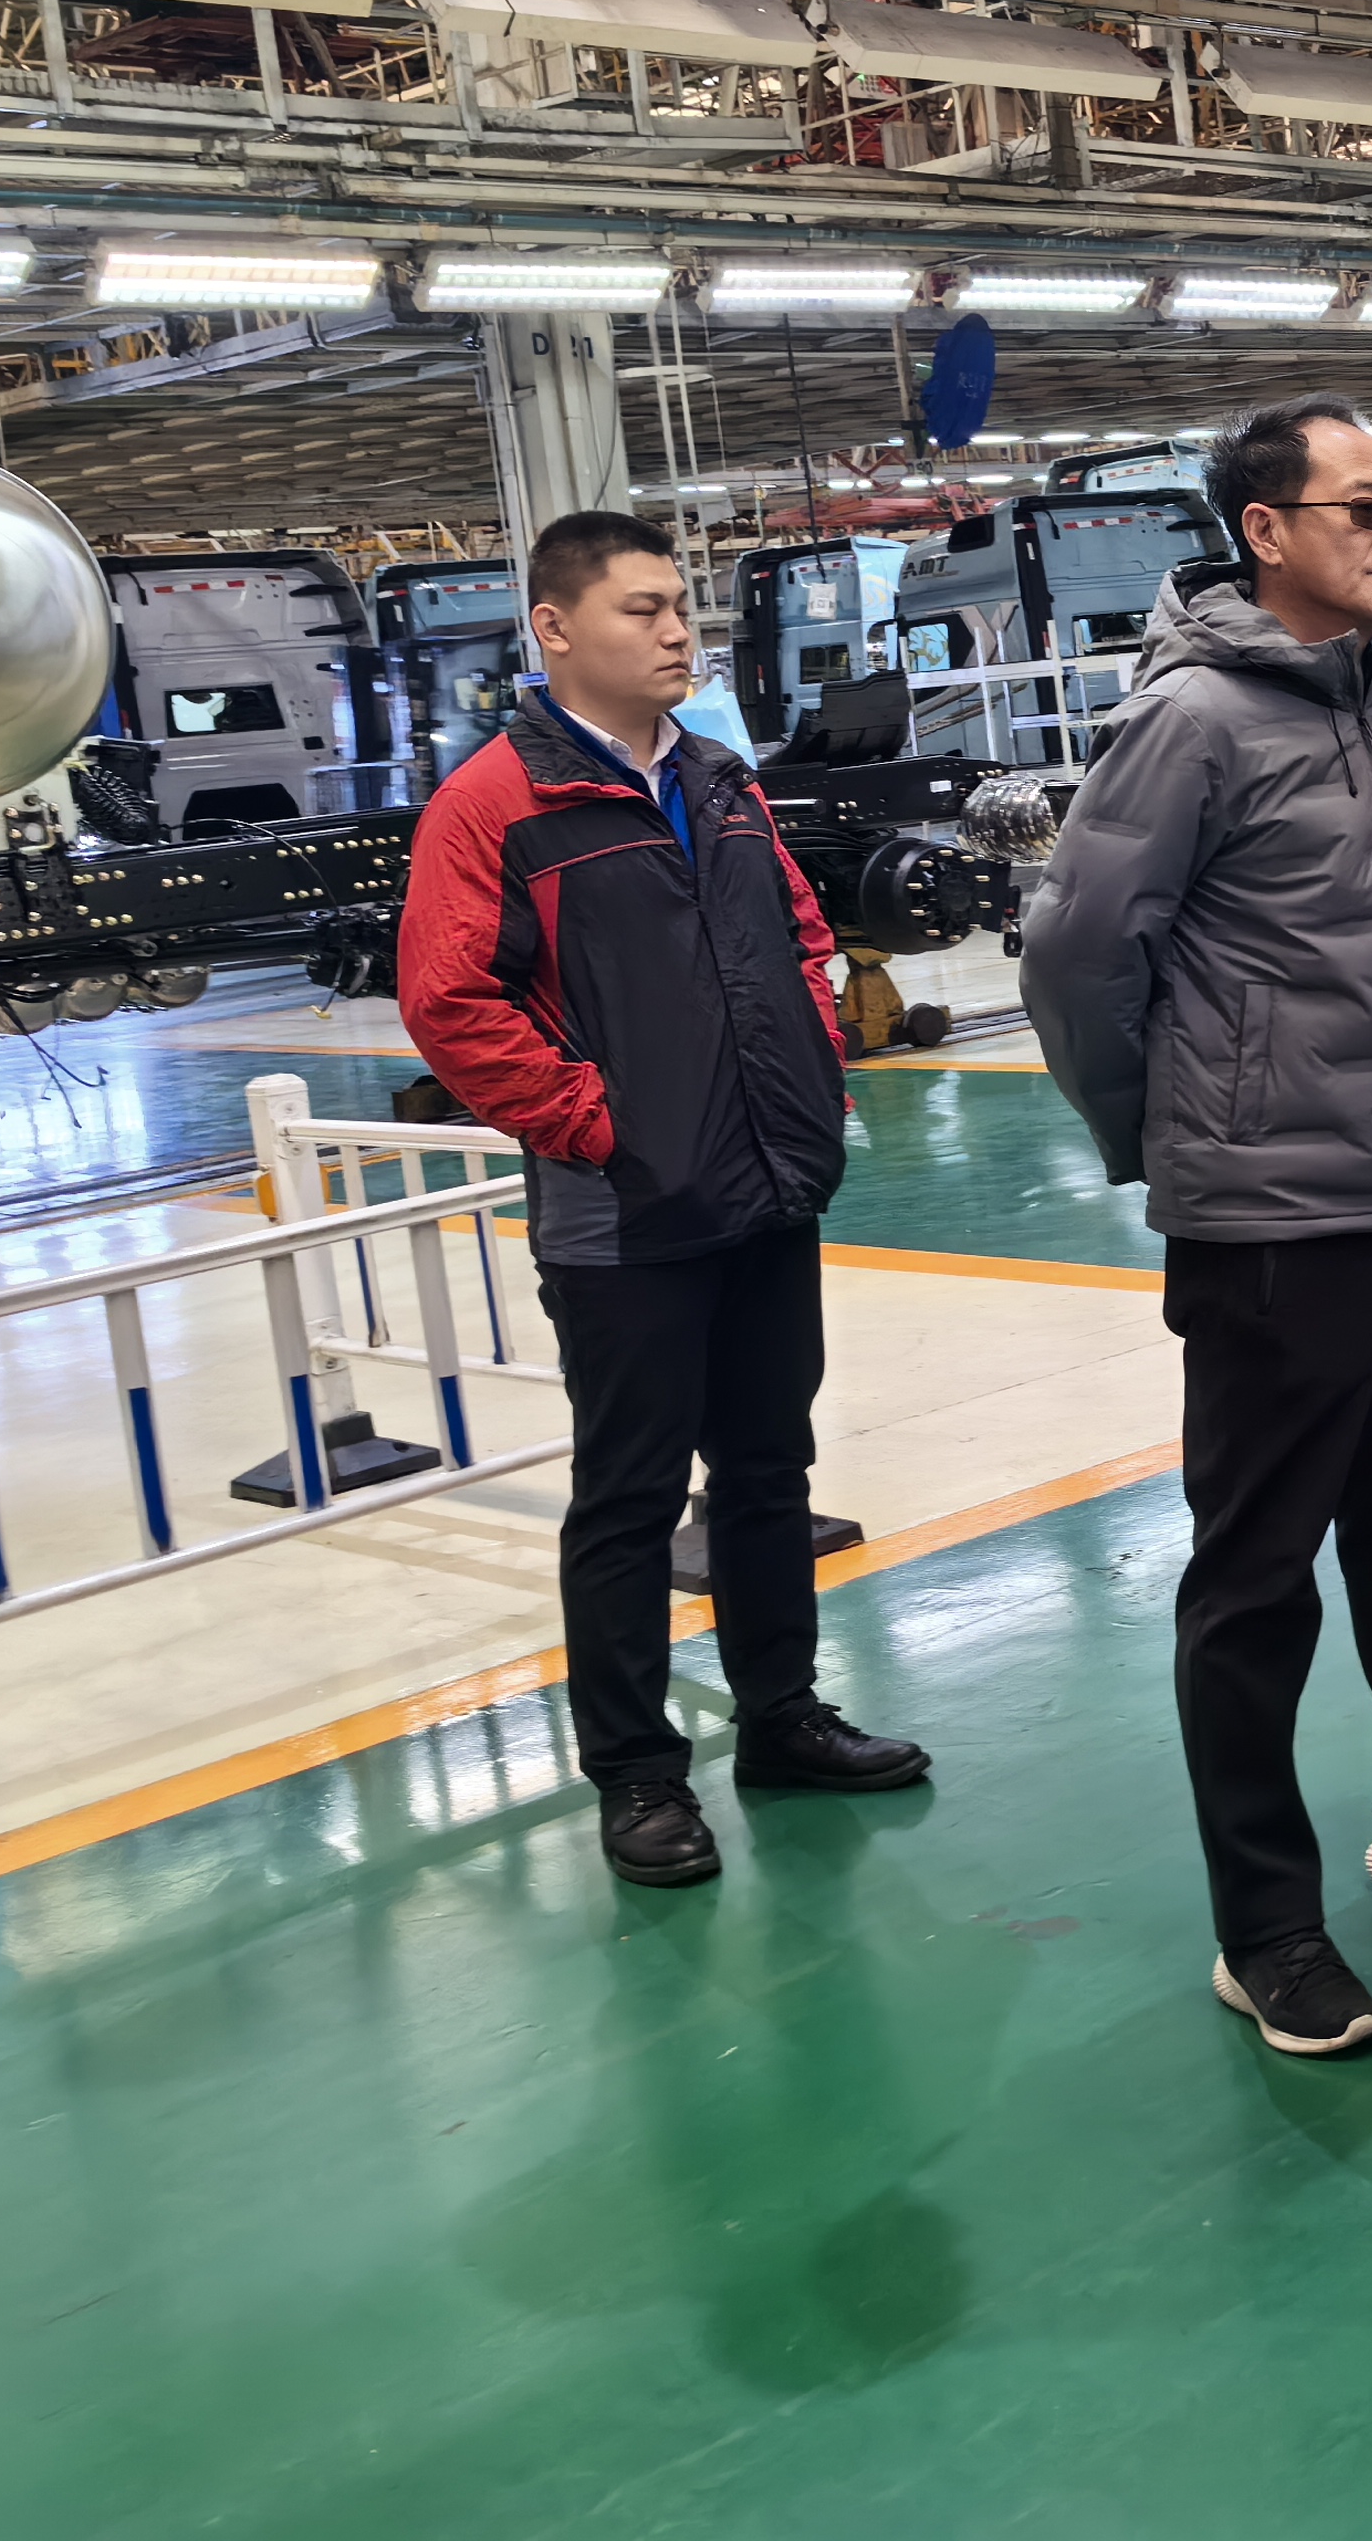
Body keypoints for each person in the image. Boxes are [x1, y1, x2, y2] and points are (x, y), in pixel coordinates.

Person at [1017, 395, 1372, 2064]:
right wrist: (1167, 1139)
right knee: (1256, 1579)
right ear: (1265, 531)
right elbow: (1075, 954)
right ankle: (1264, 1926)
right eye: (1363, 509)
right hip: (1273, 1222)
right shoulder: (1191, 719)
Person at [398, 508, 926, 1890]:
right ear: (554, 630)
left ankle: (782, 1716)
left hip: (765, 1186)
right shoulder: (496, 806)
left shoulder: (718, 776)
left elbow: (798, 931)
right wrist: (596, 1126)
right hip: (623, 1217)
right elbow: (449, 1003)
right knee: (629, 1497)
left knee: (767, 1470)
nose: (678, 630)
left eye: (681, 606)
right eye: (642, 609)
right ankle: (636, 1773)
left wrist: (810, 1072)